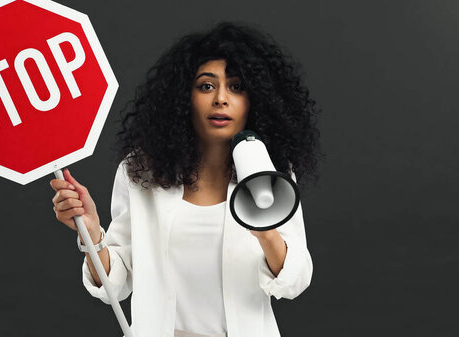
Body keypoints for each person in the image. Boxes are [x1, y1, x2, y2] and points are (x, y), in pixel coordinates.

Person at [50, 21, 322, 337]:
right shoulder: (141, 172)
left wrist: (265, 232)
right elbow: (115, 282)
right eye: (206, 86)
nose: (221, 98)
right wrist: (92, 229)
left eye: (236, 87)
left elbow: (295, 281)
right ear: (184, 96)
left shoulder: (269, 175)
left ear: (255, 100)